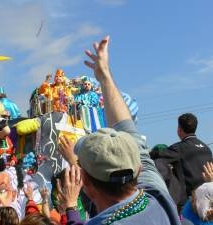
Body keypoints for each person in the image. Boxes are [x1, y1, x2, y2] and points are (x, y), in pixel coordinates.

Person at [58, 36, 181, 225]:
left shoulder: (157, 196)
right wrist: (105, 76)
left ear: (86, 183)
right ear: (138, 170)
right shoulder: (159, 201)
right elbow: (127, 128)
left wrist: (70, 206)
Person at [151, 113, 212, 201]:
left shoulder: (179, 148)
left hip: (189, 201)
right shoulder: (207, 149)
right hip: (207, 199)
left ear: (179, 129)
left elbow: (158, 154)